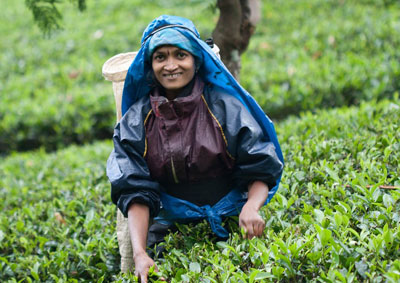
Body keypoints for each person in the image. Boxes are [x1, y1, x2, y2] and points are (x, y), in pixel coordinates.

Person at [106, 15, 284, 282]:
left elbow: (258, 162)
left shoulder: (224, 107)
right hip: (167, 229)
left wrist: (251, 207)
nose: (171, 65)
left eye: (180, 55)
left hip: (230, 220)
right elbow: (136, 190)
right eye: (160, 57)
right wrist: (141, 253)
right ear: (149, 65)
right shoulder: (135, 121)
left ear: (197, 59)